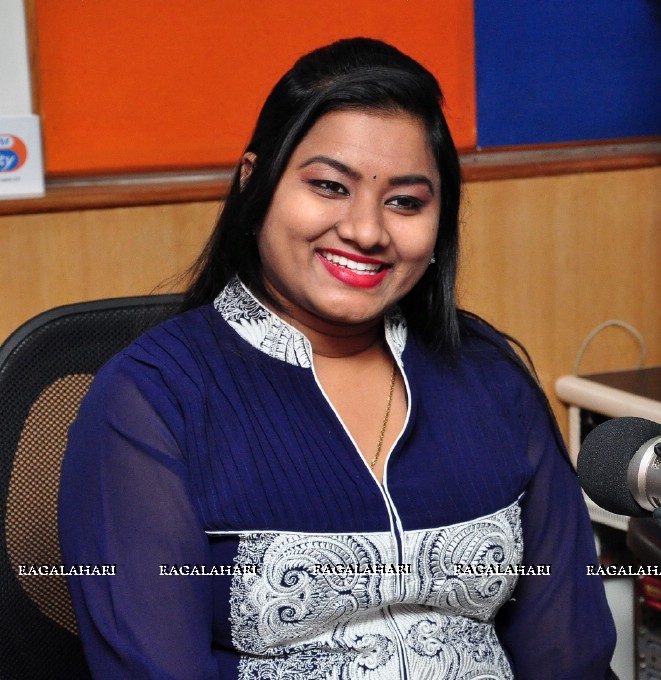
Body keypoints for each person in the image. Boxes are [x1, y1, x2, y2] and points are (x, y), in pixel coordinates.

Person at [58, 37, 616, 679]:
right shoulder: (152, 398)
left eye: (406, 201)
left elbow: (568, 652)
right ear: (254, 182)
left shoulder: (489, 376)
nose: (367, 230)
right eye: (329, 186)